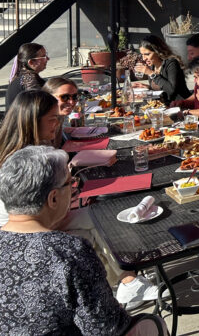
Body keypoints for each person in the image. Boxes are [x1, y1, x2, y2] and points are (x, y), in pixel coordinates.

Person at [0, 91, 160, 308]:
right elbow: (40, 207)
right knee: (98, 221)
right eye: (52, 119)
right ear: (32, 120)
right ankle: (125, 281)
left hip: (34, 218)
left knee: (98, 218)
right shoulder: (24, 157)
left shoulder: (23, 147)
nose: (57, 124)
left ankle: (126, 281)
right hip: (24, 225)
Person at [0, 146, 133, 334]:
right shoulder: (69, 251)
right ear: (53, 198)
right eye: (70, 183)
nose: (73, 189)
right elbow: (105, 328)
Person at [171, 32, 199, 129]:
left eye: (192, 53)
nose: (188, 57)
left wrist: (187, 112)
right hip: (196, 120)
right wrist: (184, 102)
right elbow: (198, 94)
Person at [133, 34, 191, 104]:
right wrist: (147, 87)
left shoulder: (171, 63)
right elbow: (162, 88)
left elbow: (171, 90)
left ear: (158, 51)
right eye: (142, 54)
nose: (144, 58)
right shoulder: (152, 66)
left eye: (147, 54)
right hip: (164, 104)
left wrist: (151, 74)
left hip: (181, 105)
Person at [5, 42, 48, 108]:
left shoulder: (21, 76)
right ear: (31, 62)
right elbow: (40, 106)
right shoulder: (29, 79)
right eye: (43, 56)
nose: (47, 58)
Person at [42, 77, 81, 143]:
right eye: (65, 97)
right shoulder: (42, 123)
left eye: (75, 97)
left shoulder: (59, 116)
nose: (71, 102)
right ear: (48, 97)